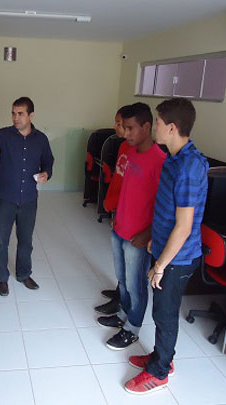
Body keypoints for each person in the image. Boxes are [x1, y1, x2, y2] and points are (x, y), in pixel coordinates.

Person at [124, 98, 208, 394]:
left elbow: (184, 226)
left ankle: (160, 372)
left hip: (177, 258)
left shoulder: (188, 167)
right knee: (162, 311)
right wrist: (154, 243)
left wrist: (161, 265)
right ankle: (162, 357)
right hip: (164, 249)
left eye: (157, 123)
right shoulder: (173, 157)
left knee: (165, 313)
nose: (154, 127)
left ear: (171, 128)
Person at [97, 103, 166, 350]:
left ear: (146, 127)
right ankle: (124, 315)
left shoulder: (160, 161)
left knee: (136, 286)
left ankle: (133, 328)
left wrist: (147, 234)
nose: (125, 134)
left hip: (138, 237)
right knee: (123, 281)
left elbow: (164, 206)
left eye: (130, 128)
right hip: (120, 228)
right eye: (124, 128)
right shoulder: (131, 151)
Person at [0, 97, 54, 296]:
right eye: (13, 113)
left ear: (31, 115)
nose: (15, 117)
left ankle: (23, 274)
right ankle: (2, 278)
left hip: (29, 199)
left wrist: (46, 173)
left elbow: (48, 161)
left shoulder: (41, 139)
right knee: (1, 240)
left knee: (26, 240)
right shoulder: (3, 135)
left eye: (20, 113)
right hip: (5, 198)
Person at [95, 105, 133, 316]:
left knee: (128, 262)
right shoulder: (122, 147)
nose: (116, 127)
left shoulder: (139, 152)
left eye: (119, 123)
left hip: (128, 215)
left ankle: (121, 302)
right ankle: (119, 291)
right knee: (120, 260)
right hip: (117, 210)